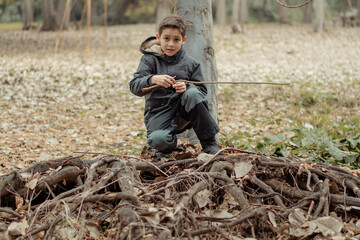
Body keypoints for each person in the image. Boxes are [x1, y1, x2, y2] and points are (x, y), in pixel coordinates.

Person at [129, 15, 220, 158]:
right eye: (166, 39)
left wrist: (188, 87)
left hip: (183, 112)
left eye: (176, 39)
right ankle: (168, 145)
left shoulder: (191, 63)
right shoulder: (148, 60)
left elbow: (202, 92)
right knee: (157, 140)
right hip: (159, 112)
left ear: (183, 41)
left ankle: (209, 144)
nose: (171, 44)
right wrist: (153, 79)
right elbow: (134, 86)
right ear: (158, 38)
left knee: (193, 94)